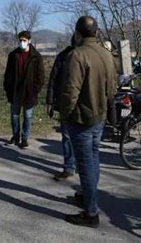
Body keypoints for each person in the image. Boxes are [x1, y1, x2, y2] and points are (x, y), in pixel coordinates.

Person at [59, 16, 117, 228]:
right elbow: (113, 87)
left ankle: (91, 212)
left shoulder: (77, 55)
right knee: (93, 157)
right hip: (99, 116)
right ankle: (87, 196)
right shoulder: (106, 53)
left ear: (78, 33)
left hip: (82, 118)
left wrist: (64, 115)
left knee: (85, 165)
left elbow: (70, 91)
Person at [3, 30, 45, 149]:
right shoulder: (13, 55)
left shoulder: (36, 57)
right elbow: (7, 74)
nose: (22, 42)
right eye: (20, 40)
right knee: (14, 115)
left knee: (28, 116)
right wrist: (7, 87)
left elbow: (40, 76)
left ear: (29, 41)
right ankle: (16, 136)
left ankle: (24, 138)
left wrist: (35, 90)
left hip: (29, 92)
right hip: (15, 91)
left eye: (24, 40)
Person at [46, 36, 76, 181]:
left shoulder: (92, 55)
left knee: (81, 139)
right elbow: (53, 80)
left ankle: (77, 166)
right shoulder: (63, 57)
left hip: (85, 104)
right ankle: (69, 166)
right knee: (67, 136)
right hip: (67, 103)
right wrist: (50, 101)